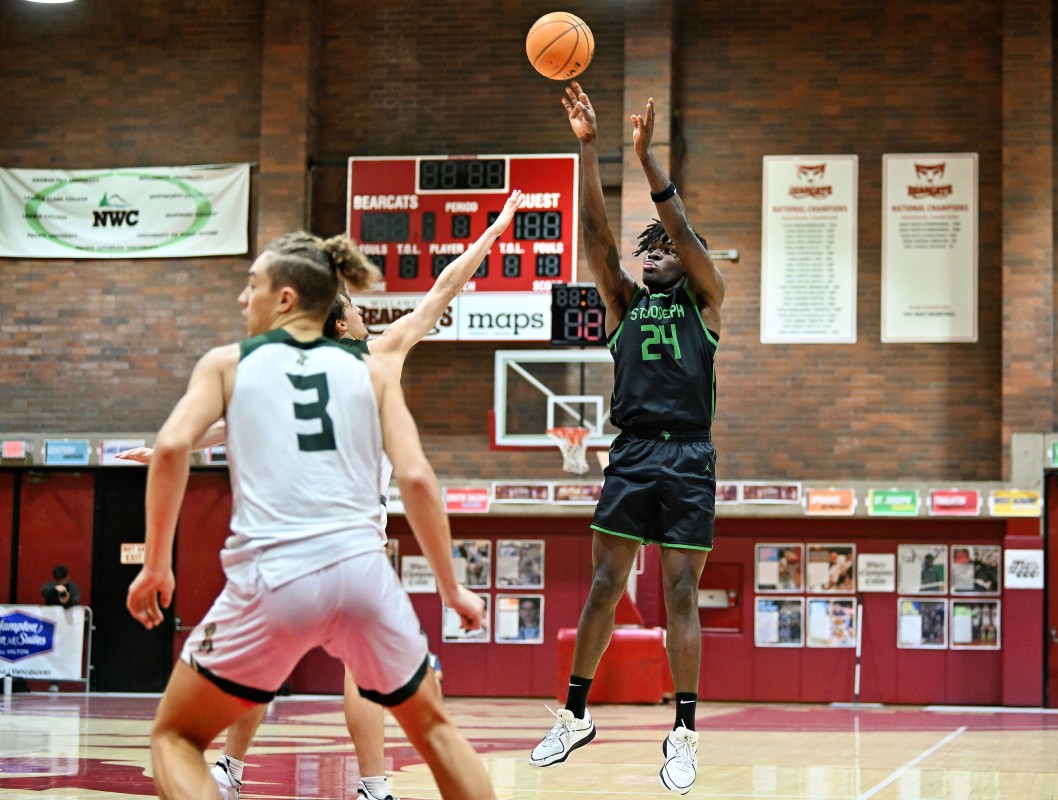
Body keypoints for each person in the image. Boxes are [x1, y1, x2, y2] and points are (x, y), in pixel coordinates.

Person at [118, 191, 522, 800]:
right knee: (435, 730)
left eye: (249, 284)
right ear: (336, 319)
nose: (367, 318)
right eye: (358, 310)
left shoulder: (237, 365)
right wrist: (449, 585)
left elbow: (195, 439)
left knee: (186, 726)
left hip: (274, 569)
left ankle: (228, 772)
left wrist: (158, 539)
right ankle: (374, 787)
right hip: (360, 564)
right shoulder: (376, 365)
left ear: (283, 298)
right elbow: (416, 477)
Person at [529, 82, 725, 796]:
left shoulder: (707, 302)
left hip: (690, 456)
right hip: (634, 451)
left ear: (686, 255)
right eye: (646, 249)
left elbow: (674, 224)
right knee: (605, 586)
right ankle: (575, 713)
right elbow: (595, 238)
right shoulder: (625, 306)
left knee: (680, 594)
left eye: (662, 247)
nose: (650, 253)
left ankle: (684, 731)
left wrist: (646, 161)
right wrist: (589, 147)